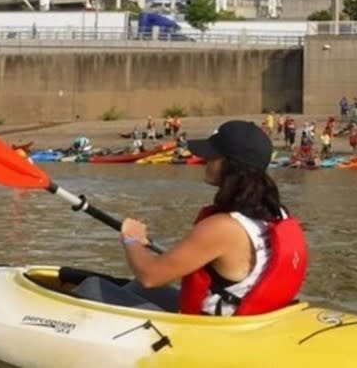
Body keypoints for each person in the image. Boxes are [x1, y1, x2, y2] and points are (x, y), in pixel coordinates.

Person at [112, 120, 308, 316]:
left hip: (214, 330)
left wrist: (132, 238)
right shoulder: (275, 212)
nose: (205, 160)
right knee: (135, 289)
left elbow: (150, 275)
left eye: (213, 156)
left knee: (92, 288)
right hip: (248, 319)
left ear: (230, 165)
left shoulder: (223, 227)